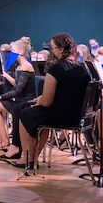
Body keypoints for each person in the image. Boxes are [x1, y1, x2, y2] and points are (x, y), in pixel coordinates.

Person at [17, 33, 91, 169]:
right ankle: (33, 158)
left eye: (53, 48)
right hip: (78, 116)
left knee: (25, 114)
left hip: (61, 116)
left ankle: (28, 158)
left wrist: (39, 100)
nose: (52, 52)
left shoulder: (56, 69)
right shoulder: (83, 68)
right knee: (40, 118)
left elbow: (46, 102)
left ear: (61, 49)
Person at [0, 38, 35, 156]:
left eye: (13, 50)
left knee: (16, 110)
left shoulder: (26, 66)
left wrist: (0, 97)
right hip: (19, 99)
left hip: (26, 101)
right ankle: (3, 140)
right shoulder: (19, 66)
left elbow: (18, 90)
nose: (10, 53)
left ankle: (16, 146)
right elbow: (17, 85)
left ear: (20, 52)